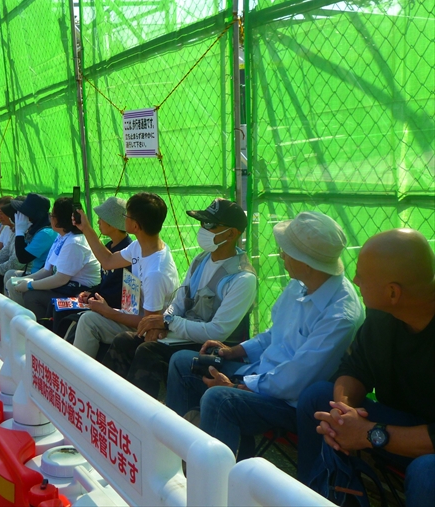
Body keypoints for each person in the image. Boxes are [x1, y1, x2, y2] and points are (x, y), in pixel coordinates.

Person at [166, 211, 365, 460]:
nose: (281, 255)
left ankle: (214, 477)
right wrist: (234, 351)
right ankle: (175, 453)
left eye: (286, 251)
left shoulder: (340, 316)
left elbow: (296, 379)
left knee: (220, 398)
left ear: (306, 263)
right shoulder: (300, 283)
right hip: (260, 376)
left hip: (287, 401)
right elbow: (275, 333)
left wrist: (238, 387)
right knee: (183, 362)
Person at [297, 229, 435, 506]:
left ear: (393, 292)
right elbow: (353, 368)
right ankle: (313, 497)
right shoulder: (384, 315)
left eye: (362, 276)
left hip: (425, 446)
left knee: (427, 471)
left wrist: (368, 433)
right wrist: (343, 414)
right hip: (398, 427)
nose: (355, 280)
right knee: (317, 396)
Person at [103, 198, 257, 399]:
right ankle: (107, 400)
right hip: (181, 336)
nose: (202, 229)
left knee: (149, 352)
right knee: (124, 341)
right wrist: (161, 324)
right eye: (201, 222)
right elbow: (179, 302)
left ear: (231, 233)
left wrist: (167, 322)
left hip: (210, 349)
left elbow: (217, 332)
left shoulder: (242, 278)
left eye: (209, 224)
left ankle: (135, 408)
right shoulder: (200, 260)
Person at [71, 192, 179, 358]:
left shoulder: (156, 273)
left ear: (135, 226)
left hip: (146, 330)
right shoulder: (139, 246)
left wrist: (108, 311)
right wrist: (85, 227)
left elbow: (150, 323)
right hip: (132, 314)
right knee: (87, 317)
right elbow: (108, 261)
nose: (123, 218)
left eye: (126, 216)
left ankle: (76, 371)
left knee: (88, 321)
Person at [13, 196, 101, 322]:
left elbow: (61, 279)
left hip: (78, 294)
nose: (50, 218)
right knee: (15, 284)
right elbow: (47, 270)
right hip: (65, 288)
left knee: (32, 296)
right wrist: (25, 280)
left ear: (61, 219)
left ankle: (41, 328)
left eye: (52, 215)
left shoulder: (74, 242)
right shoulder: (62, 236)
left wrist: (30, 285)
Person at [59, 197, 132, 338]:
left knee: (73, 319)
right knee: (60, 311)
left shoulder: (128, 251)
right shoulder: (109, 246)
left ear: (112, 223)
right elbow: (107, 281)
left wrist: (95, 298)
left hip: (114, 310)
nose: (98, 222)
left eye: (101, 218)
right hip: (101, 303)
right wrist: (91, 292)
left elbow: (121, 291)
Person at [5, 193, 58, 305]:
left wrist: (19, 233)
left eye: (25, 213)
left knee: (11, 284)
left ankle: (21, 313)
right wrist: (22, 232)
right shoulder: (36, 228)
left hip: (42, 277)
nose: (21, 215)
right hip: (34, 272)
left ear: (33, 215)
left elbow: (23, 258)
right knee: (10, 274)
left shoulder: (46, 233)